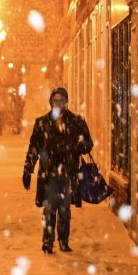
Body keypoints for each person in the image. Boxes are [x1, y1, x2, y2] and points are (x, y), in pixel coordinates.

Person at [22, 87, 93, 254]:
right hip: (49, 174)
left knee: (64, 209)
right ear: (51, 102)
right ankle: (48, 241)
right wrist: (27, 168)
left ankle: (63, 240)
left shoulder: (76, 122)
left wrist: (81, 145)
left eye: (61, 100)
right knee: (49, 208)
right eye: (55, 100)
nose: (58, 104)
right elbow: (34, 147)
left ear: (66, 102)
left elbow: (88, 144)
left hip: (68, 173)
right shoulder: (42, 123)